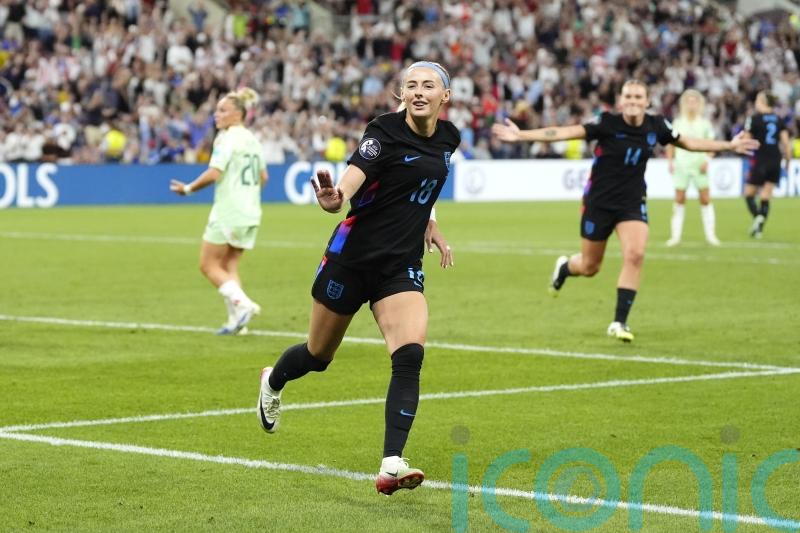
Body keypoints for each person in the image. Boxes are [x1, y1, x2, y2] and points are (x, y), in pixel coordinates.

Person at [256, 61, 458, 496]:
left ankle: (391, 464)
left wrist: (432, 223)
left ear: (446, 97)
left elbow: (423, 186)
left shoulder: (449, 138)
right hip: (352, 259)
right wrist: (335, 197)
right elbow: (349, 183)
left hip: (400, 267)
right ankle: (273, 381)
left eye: (428, 86)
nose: (418, 91)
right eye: (411, 85)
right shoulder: (382, 132)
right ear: (401, 94)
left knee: (409, 356)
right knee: (317, 355)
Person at [492, 79, 758, 342]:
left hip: (632, 202)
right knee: (589, 266)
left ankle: (619, 322)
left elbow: (689, 143)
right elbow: (564, 131)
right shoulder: (607, 122)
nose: (632, 102)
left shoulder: (657, 125)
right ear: (621, 101)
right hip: (599, 202)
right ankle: (565, 268)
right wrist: (522, 135)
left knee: (635, 254)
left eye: (638, 97)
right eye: (628, 97)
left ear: (647, 101)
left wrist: (729, 146)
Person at [170, 87, 267, 335]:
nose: (217, 114)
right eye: (216, 110)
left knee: (208, 265)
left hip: (229, 210)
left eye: (223, 110)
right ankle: (237, 322)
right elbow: (263, 177)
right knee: (229, 266)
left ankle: (242, 304)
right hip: (251, 211)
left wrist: (188, 189)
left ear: (238, 114)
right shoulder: (252, 139)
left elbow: (215, 172)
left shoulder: (226, 138)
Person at [665, 89, 720, 247]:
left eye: (694, 101)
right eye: (688, 101)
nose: (691, 104)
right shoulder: (677, 122)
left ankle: (711, 236)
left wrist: (708, 160)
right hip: (681, 165)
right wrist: (670, 161)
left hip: (699, 165)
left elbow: (712, 144)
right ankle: (675, 237)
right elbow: (670, 144)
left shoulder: (704, 123)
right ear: (684, 103)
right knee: (679, 198)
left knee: (705, 199)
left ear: (699, 104)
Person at [742, 91, 791, 239]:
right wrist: (787, 161)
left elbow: (746, 141)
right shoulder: (778, 119)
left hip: (760, 159)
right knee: (766, 194)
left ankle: (758, 217)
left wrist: (747, 156)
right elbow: (786, 144)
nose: (755, 102)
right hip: (775, 159)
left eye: (757, 99)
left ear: (762, 101)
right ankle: (759, 230)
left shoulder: (753, 119)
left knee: (749, 194)